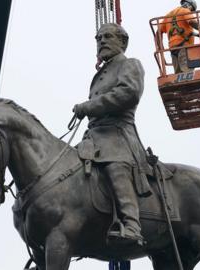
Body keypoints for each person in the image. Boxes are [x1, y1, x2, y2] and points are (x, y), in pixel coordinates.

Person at [73, 23, 151, 245]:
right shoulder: (100, 74)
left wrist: (89, 106)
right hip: (93, 137)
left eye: (108, 37)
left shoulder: (130, 64)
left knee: (115, 166)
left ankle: (132, 224)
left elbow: (128, 93)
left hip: (117, 135)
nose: (102, 41)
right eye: (98, 38)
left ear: (123, 42)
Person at [158, 0, 200, 73]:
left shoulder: (168, 15)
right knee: (187, 73)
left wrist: (160, 46)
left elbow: (158, 33)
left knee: (178, 75)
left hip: (172, 48)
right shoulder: (185, 10)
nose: (191, 11)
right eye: (192, 10)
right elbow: (192, 22)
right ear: (190, 6)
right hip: (184, 47)